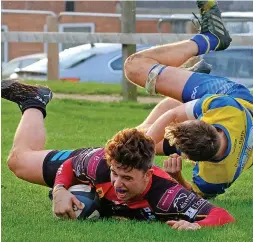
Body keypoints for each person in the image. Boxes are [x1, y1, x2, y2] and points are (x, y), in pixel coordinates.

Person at [2, 80, 235, 230]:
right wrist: (60, 190)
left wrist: (197, 227)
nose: (118, 183)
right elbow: (72, 164)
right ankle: (35, 100)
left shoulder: (167, 195)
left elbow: (222, 215)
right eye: (116, 174)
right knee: (18, 162)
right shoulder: (98, 163)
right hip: (85, 162)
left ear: (148, 174)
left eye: (128, 178)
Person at [124, 0, 253, 198]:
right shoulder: (225, 107)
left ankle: (183, 77)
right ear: (208, 122)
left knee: (133, 137)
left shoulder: (212, 179)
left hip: (219, 114)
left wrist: (177, 177)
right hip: (235, 97)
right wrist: (144, 156)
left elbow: (194, 198)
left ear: (187, 156)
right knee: (135, 67)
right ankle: (211, 38)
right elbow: (173, 114)